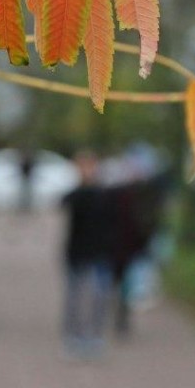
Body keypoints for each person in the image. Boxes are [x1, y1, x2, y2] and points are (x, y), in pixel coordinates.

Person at [60, 151, 113, 357]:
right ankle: (72, 337)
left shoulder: (104, 194)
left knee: (99, 297)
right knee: (75, 297)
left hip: (100, 252)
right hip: (77, 252)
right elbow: (67, 204)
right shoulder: (75, 195)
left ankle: (94, 337)